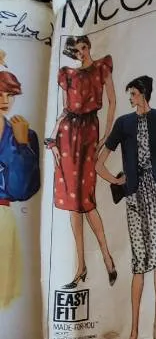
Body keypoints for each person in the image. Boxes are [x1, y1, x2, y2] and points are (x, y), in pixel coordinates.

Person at [96, 75, 156, 339]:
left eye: (133, 93)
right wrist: (116, 180)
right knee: (139, 263)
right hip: (134, 196)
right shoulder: (123, 123)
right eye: (129, 94)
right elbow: (99, 164)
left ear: (143, 94)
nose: (130, 98)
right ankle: (133, 333)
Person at [48, 35, 117, 289]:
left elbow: (112, 102)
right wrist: (53, 139)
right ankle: (81, 266)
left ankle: (107, 257)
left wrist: (107, 136)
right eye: (76, 51)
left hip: (89, 133)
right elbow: (64, 111)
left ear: (89, 47)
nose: (82, 53)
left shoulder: (102, 67)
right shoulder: (67, 75)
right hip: (67, 136)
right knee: (72, 203)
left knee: (86, 201)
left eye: (84, 48)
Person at [0, 68, 40, 309]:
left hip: (3, 217)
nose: (5, 100)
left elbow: (22, 191)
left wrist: (22, 145)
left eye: (10, 95)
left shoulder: (24, 134)